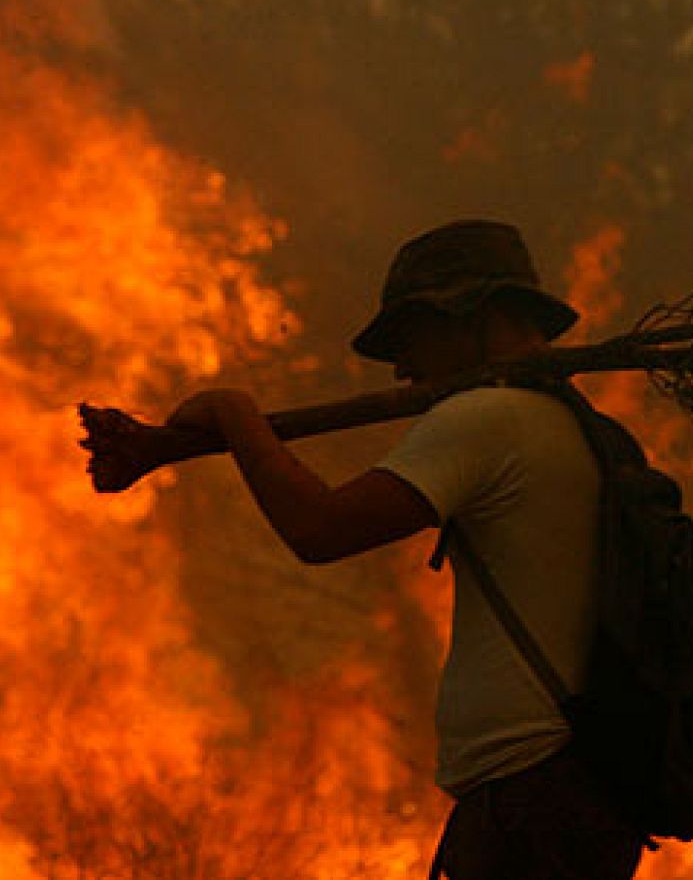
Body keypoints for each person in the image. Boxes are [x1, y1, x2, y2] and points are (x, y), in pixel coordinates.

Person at [165, 220, 648, 879]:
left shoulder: (490, 418)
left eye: (409, 335)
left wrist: (234, 413)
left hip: (530, 797)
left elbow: (319, 529)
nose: (401, 367)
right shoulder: (571, 422)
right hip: (562, 795)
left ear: (472, 318)